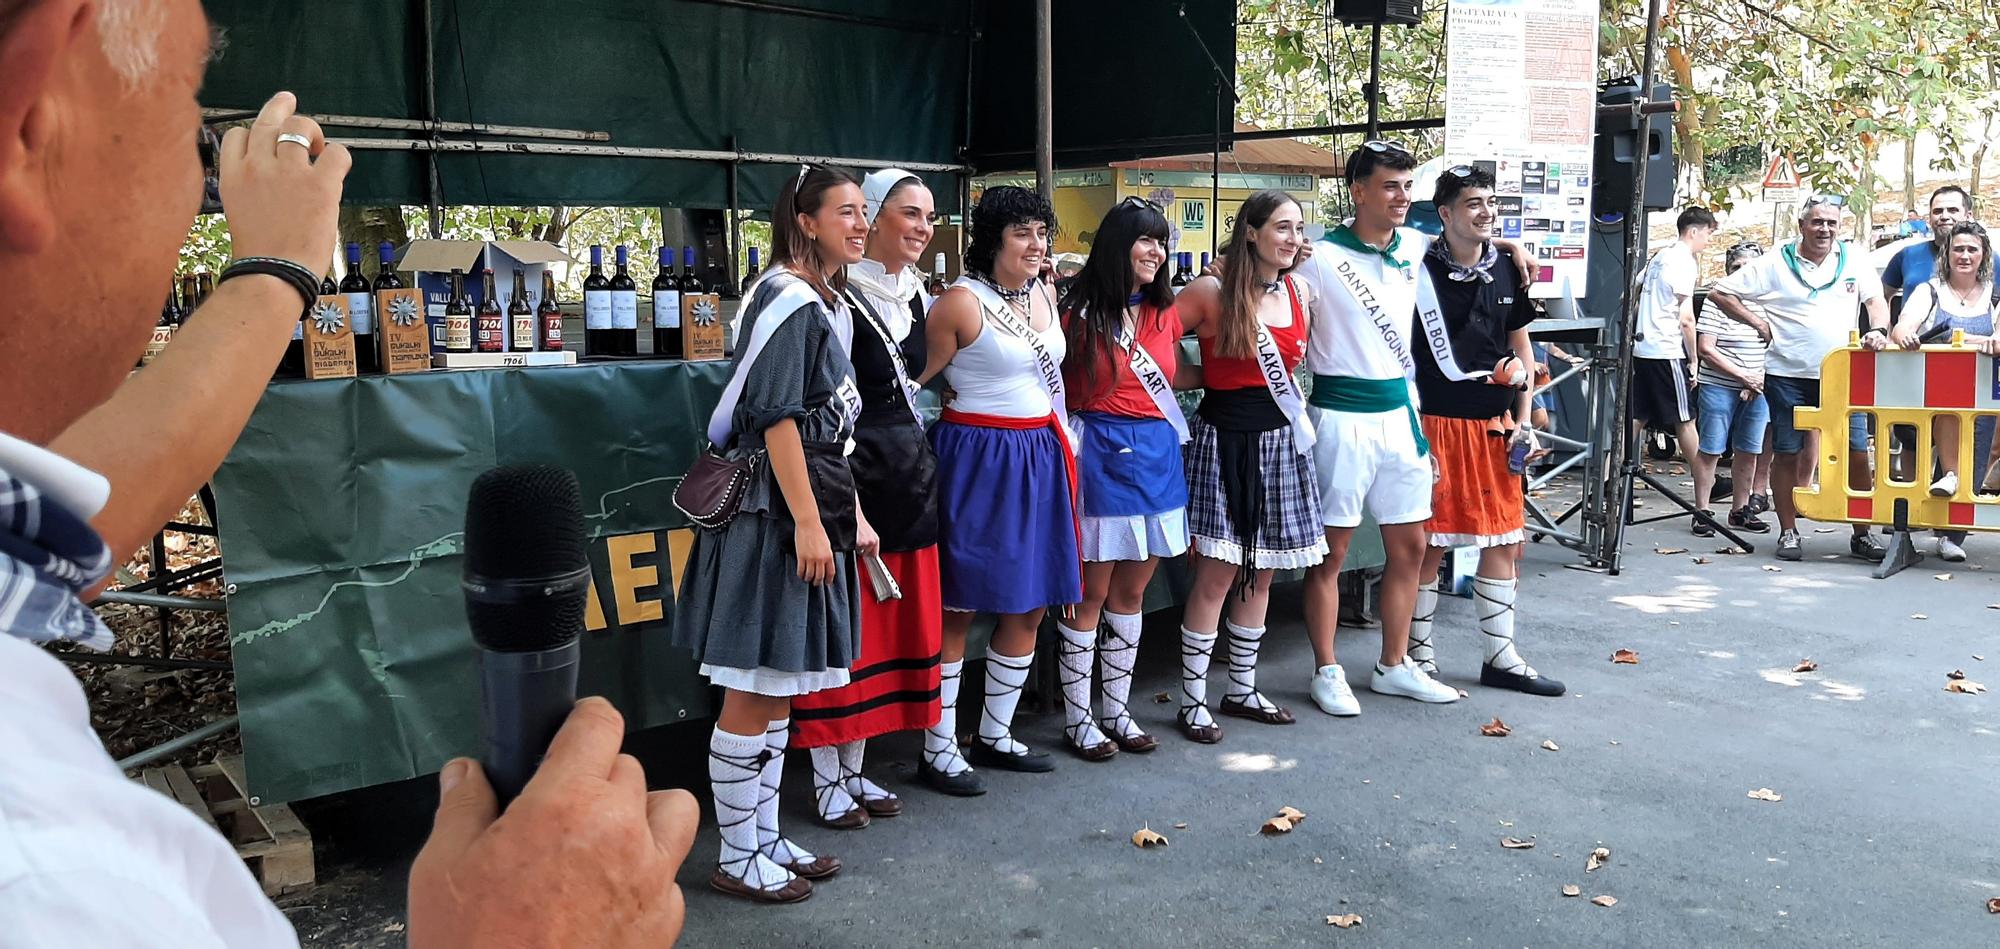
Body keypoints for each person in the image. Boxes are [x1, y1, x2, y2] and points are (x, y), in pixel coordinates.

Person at [0, 4, 695, 943]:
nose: (198, 185)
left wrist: (274, 271)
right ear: (31, 115)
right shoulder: (69, 881)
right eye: (192, 120)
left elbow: (64, 506)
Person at [672, 164, 867, 903]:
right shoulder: (790, 298)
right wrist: (812, 524)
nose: (857, 223)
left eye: (861, 211)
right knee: (754, 684)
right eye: (842, 212)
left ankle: (760, 834)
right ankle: (735, 850)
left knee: (781, 683)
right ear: (805, 220)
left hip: (804, 496)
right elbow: (775, 419)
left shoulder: (819, 295)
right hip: (775, 510)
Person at [1289, 140, 1534, 716]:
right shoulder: (1319, 258)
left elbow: (1471, 241)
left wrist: (1509, 243)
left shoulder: (1417, 248)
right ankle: (1326, 668)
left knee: (1412, 546)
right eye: (1390, 186)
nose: (1401, 198)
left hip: (1401, 419)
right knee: (1334, 552)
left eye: (1406, 187)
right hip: (1340, 415)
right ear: (1359, 191)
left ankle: (1393, 664)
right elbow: (1271, 290)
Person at [791, 169, 954, 819]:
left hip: (909, 475)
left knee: (887, 633)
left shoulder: (916, 296)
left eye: (929, 217)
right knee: (848, 633)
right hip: (851, 479)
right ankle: (828, 780)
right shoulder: (829, 297)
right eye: (909, 214)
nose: (922, 228)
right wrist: (845, 506)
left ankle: (855, 772)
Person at [919, 186, 1078, 773]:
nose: (1037, 245)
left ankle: (994, 734)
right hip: (979, 457)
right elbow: (911, 382)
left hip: (1040, 452)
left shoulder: (1043, 290)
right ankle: (938, 749)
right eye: (1022, 233)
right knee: (958, 605)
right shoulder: (960, 303)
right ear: (991, 241)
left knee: (1030, 602)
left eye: (1042, 232)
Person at [1407, 166, 1565, 696]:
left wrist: (1525, 419)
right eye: (1472, 202)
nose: (1485, 211)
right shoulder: (1414, 265)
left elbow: (1521, 343)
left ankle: (1501, 657)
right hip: (1434, 422)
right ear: (1445, 213)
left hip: (1496, 425)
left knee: (1503, 537)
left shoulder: (1507, 268)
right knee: (1428, 543)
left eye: (1490, 202)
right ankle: (1417, 657)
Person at [1174, 189, 1325, 743]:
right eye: (1281, 227)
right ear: (1252, 232)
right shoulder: (1211, 291)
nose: (1292, 238)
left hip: (1280, 441)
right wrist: (1200, 378)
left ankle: (1241, 686)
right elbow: (1150, 344)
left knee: (1261, 572)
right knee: (1216, 575)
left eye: (1298, 228)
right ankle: (1193, 698)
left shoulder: (1302, 290)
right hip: (1225, 439)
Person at [1050, 197, 1189, 760]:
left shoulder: (1165, 311)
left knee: (1132, 591)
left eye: (1161, 242)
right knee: (1091, 593)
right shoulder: (1073, 312)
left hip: (1157, 455)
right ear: (1116, 245)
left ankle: (1117, 710)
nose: (1155, 252)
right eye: (1144, 240)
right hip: (1101, 452)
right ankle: (1078, 718)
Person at [1708, 197, 1892, 563]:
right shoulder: (1776, 261)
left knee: (1856, 452)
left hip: (1842, 374)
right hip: (1788, 374)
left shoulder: (1854, 258)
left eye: (1832, 223)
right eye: (1817, 222)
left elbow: (1875, 302)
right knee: (1787, 452)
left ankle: (1862, 532)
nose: (1824, 229)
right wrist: (1759, 323)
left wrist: (1879, 329)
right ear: (1802, 224)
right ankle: (1788, 531)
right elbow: (1720, 291)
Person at [1889, 220, 2000, 562]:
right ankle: (1948, 478)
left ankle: (1952, 535)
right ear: (1946, 254)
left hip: (1984, 387)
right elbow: (1903, 327)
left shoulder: (1994, 295)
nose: (1964, 255)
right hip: (1934, 388)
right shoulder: (1929, 290)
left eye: (1972, 249)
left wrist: (1964, 340)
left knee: (1980, 451)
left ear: (1984, 255)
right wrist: (1906, 335)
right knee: (1949, 418)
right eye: (1958, 249)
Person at [1631, 207, 1718, 534]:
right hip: (1668, 350)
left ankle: (1609, 484)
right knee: (1686, 421)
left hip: (1643, 348)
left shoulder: (1657, 258)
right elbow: (1686, 317)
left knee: (1638, 417)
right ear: (1694, 231)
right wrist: (1693, 359)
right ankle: (1703, 502)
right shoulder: (1683, 261)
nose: (1708, 242)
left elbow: (1634, 295)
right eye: (1708, 234)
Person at [1690, 241, 1775, 535]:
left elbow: (1780, 346)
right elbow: (1706, 349)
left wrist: (1758, 380)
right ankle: (1702, 511)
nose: (1742, 272)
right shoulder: (1717, 301)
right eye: (1736, 267)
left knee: (1749, 449)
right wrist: (1744, 377)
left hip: (1760, 386)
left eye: (1749, 267)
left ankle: (1740, 510)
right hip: (1719, 383)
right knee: (1711, 447)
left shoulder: (1770, 301)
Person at [1884, 186, 1971, 297]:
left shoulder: (1988, 258)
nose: (1944, 216)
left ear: (1968, 216)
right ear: (1929, 218)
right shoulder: (1908, 255)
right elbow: (1882, 297)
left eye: (1952, 210)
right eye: (1938, 211)